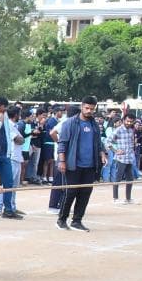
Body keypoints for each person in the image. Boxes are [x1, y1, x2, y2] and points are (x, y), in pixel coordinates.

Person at [56, 97, 106, 231]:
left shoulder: (94, 124)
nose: (89, 111)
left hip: (90, 165)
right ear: (82, 107)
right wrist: (62, 161)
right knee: (70, 192)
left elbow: (98, 143)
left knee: (85, 193)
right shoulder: (70, 123)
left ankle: (77, 221)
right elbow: (62, 143)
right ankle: (61, 219)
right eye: (87, 108)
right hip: (73, 164)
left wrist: (102, 154)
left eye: (92, 109)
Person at [108, 113, 139, 204]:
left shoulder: (131, 130)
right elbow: (108, 141)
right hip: (120, 158)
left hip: (129, 158)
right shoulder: (118, 130)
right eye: (127, 121)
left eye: (131, 121)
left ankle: (128, 198)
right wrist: (115, 150)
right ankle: (115, 198)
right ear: (123, 120)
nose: (129, 123)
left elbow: (131, 143)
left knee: (130, 178)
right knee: (117, 178)